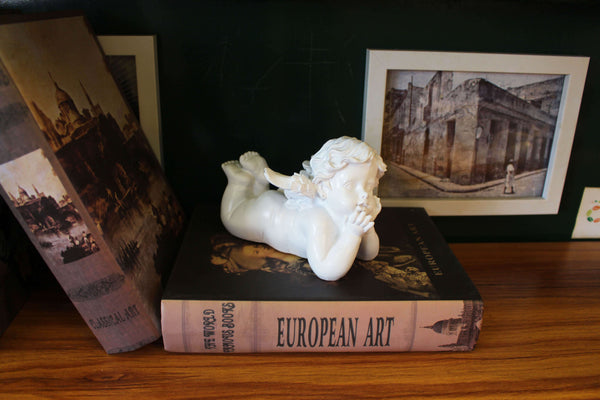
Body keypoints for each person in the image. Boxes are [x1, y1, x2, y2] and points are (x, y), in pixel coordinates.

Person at [220, 136, 387, 281]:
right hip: (267, 215)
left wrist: (367, 229)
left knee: (252, 201)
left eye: (369, 186)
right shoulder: (318, 218)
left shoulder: (351, 212)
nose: (364, 194)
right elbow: (327, 271)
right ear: (323, 186)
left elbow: (368, 254)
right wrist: (353, 234)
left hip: (275, 205)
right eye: (350, 185)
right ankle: (239, 183)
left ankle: (259, 182)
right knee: (231, 218)